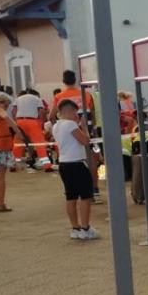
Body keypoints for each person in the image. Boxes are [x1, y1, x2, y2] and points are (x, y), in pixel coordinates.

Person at [53, 99, 99, 240]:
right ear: (70, 111)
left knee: (70, 196)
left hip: (64, 164)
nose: (76, 115)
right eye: (75, 112)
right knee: (85, 196)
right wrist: (84, 127)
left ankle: (75, 228)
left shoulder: (56, 126)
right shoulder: (70, 124)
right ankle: (85, 228)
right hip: (77, 164)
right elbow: (85, 140)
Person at [52, 72, 99, 198]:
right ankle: (95, 188)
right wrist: (91, 129)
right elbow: (93, 114)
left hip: (65, 131)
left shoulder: (59, 96)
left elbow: (52, 115)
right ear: (75, 80)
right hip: (86, 126)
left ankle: (72, 188)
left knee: (70, 157)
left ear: (63, 80)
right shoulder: (86, 94)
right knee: (90, 159)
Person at [11, 89, 50, 169]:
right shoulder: (37, 99)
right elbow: (41, 111)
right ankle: (46, 165)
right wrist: (41, 123)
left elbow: (13, 111)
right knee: (39, 143)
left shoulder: (18, 99)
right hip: (32, 122)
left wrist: (16, 122)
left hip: (20, 121)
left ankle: (13, 164)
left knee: (18, 143)